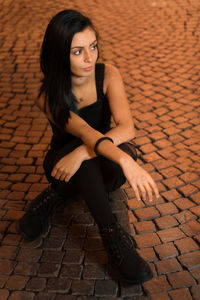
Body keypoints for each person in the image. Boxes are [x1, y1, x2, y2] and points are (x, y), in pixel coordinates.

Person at [16, 9, 159, 284]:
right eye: (78, 51)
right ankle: (113, 238)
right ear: (60, 54)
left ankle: (55, 196)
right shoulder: (46, 94)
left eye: (93, 47)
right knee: (88, 165)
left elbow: (127, 128)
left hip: (96, 160)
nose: (90, 58)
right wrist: (116, 160)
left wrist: (85, 154)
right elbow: (83, 131)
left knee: (97, 158)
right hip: (62, 162)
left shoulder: (108, 75)